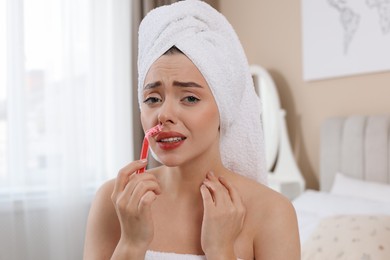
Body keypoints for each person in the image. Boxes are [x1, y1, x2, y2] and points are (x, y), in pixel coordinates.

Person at [83, 1, 300, 259]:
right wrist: (131, 243)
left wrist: (221, 250)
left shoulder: (271, 212)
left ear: (224, 108)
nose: (163, 114)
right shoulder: (113, 202)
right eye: (153, 99)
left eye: (190, 98)